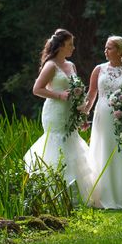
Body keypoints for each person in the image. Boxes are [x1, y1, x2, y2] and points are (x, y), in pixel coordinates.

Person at [23, 28, 96, 205]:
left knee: (72, 144)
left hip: (70, 111)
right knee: (57, 145)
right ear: (61, 46)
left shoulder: (71, 66)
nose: (73, 48)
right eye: (70, 44)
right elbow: (37, 89)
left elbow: (76, 93)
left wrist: (81, 115)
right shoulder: (51, 66)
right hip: (55, 111)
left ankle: (75, 197)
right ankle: (53, 196)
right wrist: (59, 95)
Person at [83, 35, 122, 210]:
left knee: (119, 152)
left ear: (119, 51)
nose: (105, 51)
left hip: (121, 118)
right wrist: (84, 115)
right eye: (105, 47)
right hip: (102, 116)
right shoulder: (98, 69)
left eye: (109, 48)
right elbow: (92, 94)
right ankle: (100, 198)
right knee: (101, 151)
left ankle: (121, 198)